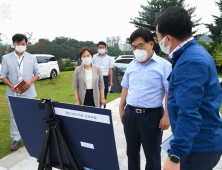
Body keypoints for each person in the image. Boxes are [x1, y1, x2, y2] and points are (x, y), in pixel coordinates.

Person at [154, 6, 222, 170]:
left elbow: (189, 112)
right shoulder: (189, 54)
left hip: (199, 147)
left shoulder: (190, 61)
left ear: (168, 38)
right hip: (197, 141)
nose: (158, 43)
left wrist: (175, 155)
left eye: (158, 38)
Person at [119, 27, 172, 170]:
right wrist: (121, 108)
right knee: (131, 152)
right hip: (130, 115)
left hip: (152, 117)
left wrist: (167, 116)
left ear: (151, 44)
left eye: (140, 45)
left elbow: (169, 92)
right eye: (134, 47)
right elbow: (125, 87)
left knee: (152, 155)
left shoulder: (164, 66)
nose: (137, 49)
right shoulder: (131, 65)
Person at [0, 34, 40, 151]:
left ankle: (30, 136)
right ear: (14, 44)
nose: (21, 46)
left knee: (30, 115)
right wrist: (11, 85)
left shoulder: (32, 58)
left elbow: (38, 73)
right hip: (13, 92)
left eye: (23, 44)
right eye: (18, 44)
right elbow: (2, 75)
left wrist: (30, 81)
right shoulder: (6, 58)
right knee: (14, 117)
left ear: (26, 44)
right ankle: (16, 138)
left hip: (28, 91)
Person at [92, 41, 113, 107]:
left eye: (103, 47)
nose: (101, 48)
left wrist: (111, 81)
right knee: (95, 93)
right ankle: (95, 107)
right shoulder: (93, 57)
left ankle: (103, 108)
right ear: (97, 48)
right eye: (100, 47)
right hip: (95, 77)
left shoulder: (108, 58)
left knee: (104, 93)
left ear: (105, 48)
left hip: (105, 78)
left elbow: (110, 69)